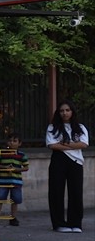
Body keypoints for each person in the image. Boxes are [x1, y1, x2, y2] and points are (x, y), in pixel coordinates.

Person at [45, 100, 87, 233]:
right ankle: (58, 223)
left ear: (72, 112)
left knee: (76, 192)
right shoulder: (52, 127)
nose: (65, 113)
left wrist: (65, 143)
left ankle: (75, 223)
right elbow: (52, 145)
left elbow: (84, 144)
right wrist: (72, 145)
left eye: (67, 110)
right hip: (58, 160)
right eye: (62, 111)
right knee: (56, 192)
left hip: (76, 162)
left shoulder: (80, 127)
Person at [0, 133, 28, 225]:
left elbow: (26, 167)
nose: (11, 143)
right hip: (4, 181)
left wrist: (16, 169)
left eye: (14, 141)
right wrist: (5, 167)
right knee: (0, 199)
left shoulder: (22, 155)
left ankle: (13, 218)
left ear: (19, 143)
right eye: (10, 141)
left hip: (16, 181)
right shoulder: (2, 153)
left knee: (15, 200)